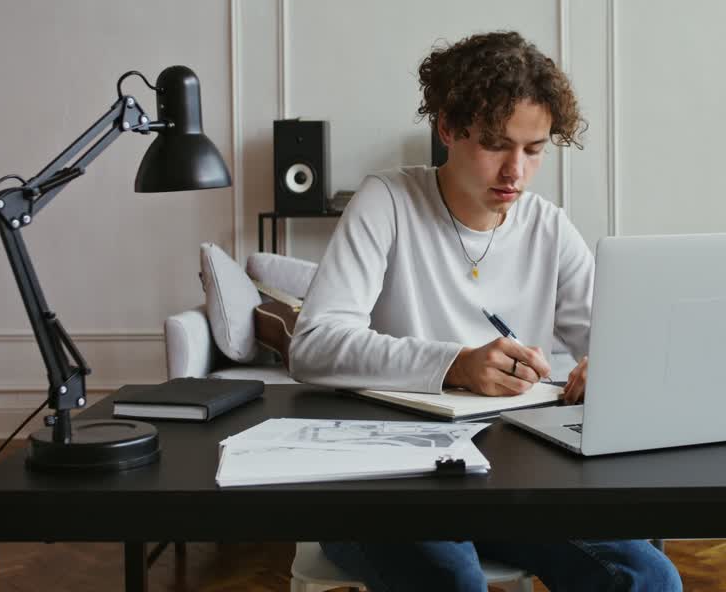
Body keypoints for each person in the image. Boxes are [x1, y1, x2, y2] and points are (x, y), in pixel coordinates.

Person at [288, 31, 682, 592]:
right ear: (448, 128)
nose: (515, 171)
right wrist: (456, 363)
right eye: (497, 144)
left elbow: (613, 339)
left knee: (646, 576)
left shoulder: (548, 226)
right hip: (386, 481)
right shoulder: (387, 202)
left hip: (511, 480)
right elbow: (315, 344)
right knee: (451, 579)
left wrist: (613, 367)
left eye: (534, 149)